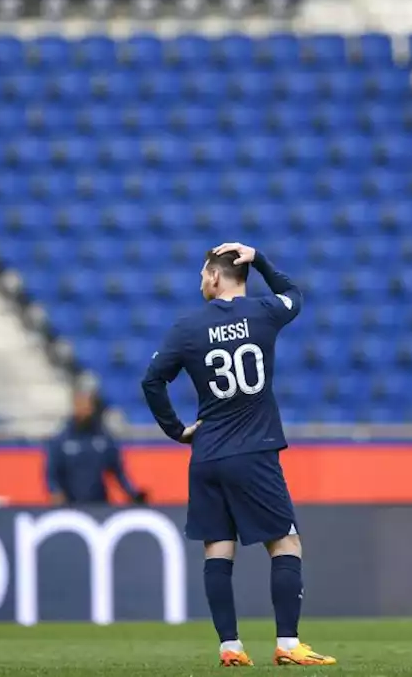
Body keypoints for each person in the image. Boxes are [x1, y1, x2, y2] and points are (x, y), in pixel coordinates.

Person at [141, 242, 334, 667]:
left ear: (214, 277)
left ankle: (230, 647)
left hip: (207, 454)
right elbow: (295, 295)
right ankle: (287, 644)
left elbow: (152, 381)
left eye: (201, 275)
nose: (200, 282)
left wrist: (176, 431)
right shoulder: (265, 312)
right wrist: (260, 259)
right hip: (254, 450)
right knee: (285, 542)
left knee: (218, 549)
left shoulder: (187, 328)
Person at [45, 388, 148, 506]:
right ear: (74, 407)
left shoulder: (103, 437)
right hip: (70, 506)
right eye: (80, 405)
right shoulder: (61, 440)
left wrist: (132, 493)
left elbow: (118, 471)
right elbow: (51, 474)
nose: (84, 410)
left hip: (98, 504)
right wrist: (55, 492)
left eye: (87, 405)